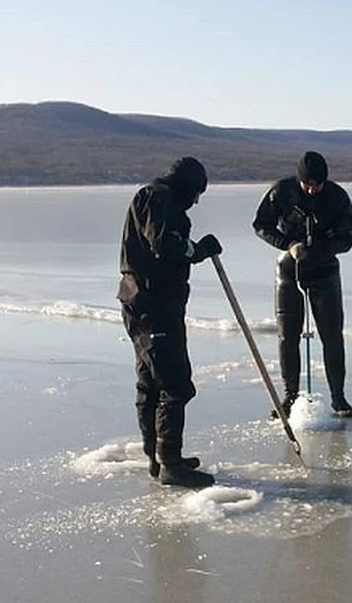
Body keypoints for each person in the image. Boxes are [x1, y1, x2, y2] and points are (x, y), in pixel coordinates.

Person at [117, 156, 222, 488]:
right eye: (195, 195)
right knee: (175, 384)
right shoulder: (159, 199)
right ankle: (170, 464)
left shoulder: (155, 197)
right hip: (152, 306)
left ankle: (158, 456)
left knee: (150, 382)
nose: (195, 202)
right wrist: (198, 250)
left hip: (148, 303)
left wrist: (193, 250)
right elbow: (165, 245)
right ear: (186, 188)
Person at [252, 151, 352, 418]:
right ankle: (290, 397)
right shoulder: (281, 191)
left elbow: (348, 237)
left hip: (324, 271)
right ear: (299, 180)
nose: (312, 189)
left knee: (332, 336)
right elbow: (261, 224)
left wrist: (322, 248)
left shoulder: (337, 197)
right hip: (289, 269)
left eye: (317, 184)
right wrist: (287, 245)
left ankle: (339, 397)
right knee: (288, 336)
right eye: (307, 184)